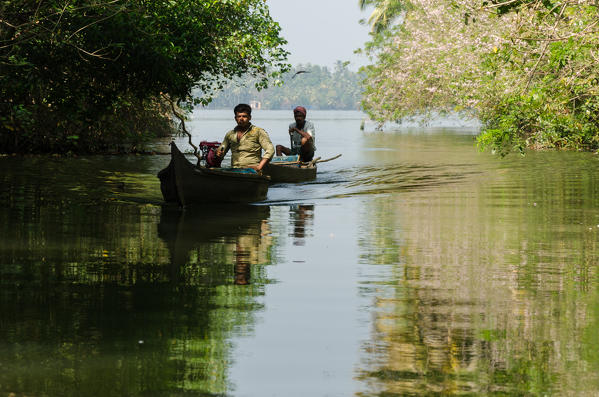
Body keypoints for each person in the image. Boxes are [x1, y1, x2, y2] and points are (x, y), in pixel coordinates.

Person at [216, 103, 274, 172]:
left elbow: (270, 150)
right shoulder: (230, 134)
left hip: (252, 171)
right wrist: (218, 153)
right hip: (234, 170)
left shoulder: (258, 132)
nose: (241, 119)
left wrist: (259, 167)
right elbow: (221, 151)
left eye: (244, 116)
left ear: (250, 117)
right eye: (239, 116)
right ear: (235, 118)